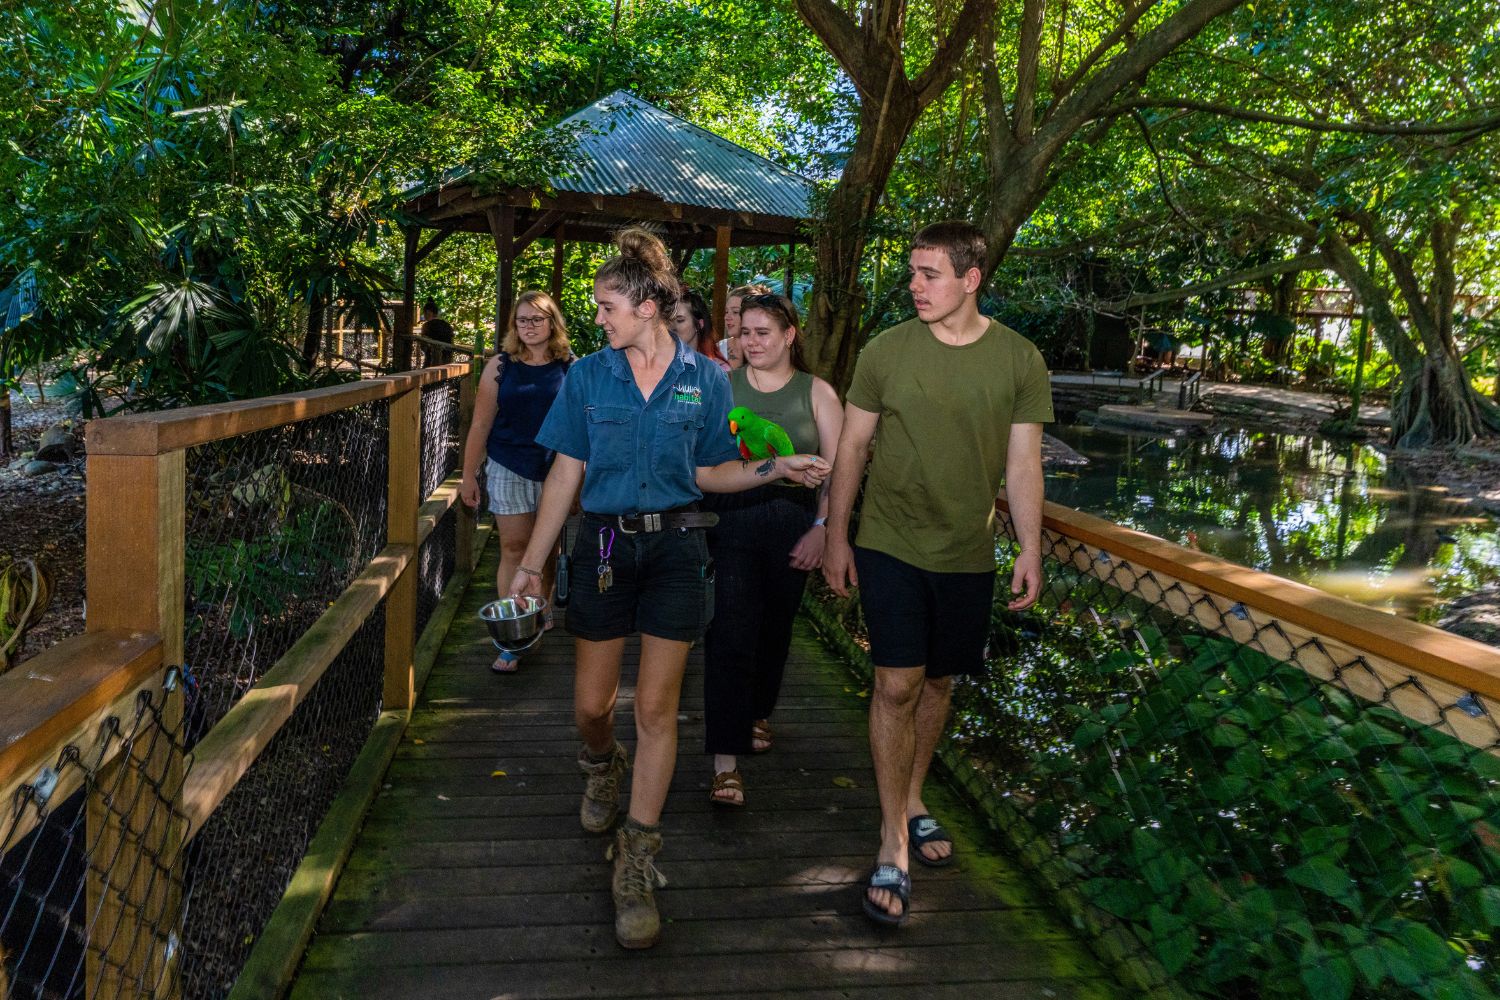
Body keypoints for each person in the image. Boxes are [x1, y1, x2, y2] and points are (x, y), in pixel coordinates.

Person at [508, 228, 829, 950]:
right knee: (593, 707)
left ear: (649, 305)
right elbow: (565, 474)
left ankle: (638, 854)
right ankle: (601, 765)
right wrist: (531, 566)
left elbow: (713, 471)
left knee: (656, 710)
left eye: (607, 304)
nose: (597, 316)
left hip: (682, 546)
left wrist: (779, 469)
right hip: (605, 545)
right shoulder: (588, 375)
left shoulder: (707, 379)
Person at [821, 220, 1053, 928]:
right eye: (914, 273)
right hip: (889, 541)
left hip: (968, 553)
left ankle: (914, 796)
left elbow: (1022, 464)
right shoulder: (887, 351)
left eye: (930, 275)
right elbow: (853, 449)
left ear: (971, 279)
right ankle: (892, 837)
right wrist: (838, 537)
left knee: (939, 683)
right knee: (895, 683)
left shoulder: (1019, 360)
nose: (916, 286)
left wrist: (1031, 548)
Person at [702, 293, 842, 808]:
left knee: (775, 628)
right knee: (730, 633)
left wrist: (824, 528)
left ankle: (759, 709)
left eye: (763, 332)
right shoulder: (720, 386)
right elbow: (701, 459)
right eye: (745, 332)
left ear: (789, 337)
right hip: (731, 520)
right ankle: (724, 761)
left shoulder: (817, 392)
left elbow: (839, 466)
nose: (752, 341)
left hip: (794, 522)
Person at [459, 290, 572, 672]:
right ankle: (514, 632)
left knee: (548, 547)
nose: (529, 326)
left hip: (556, 468)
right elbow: (480, 423)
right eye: (522, 320)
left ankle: (542, 604)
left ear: (552, 323)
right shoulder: (500, 366)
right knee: (513, 547)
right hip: (507, 462)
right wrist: (468, 475)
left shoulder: (571, 366)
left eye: (537, 320)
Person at [670, 286, 729, 371]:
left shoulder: (717, 370)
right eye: (668, 320)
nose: (672, 327)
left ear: (700, 324)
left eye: (680, 320)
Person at [717, 282, 770, 369]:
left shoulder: (767, 348)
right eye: (726, 312)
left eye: (735, 312)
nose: (727, 317)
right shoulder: (718, 348)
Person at [420, 299, 456, 366]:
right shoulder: (447, 325)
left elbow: (423, 346)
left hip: (431, 361)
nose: (424, 315)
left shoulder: (426, 326)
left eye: (424, 313)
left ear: (428, 312)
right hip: (447, 361)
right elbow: (452, 342)